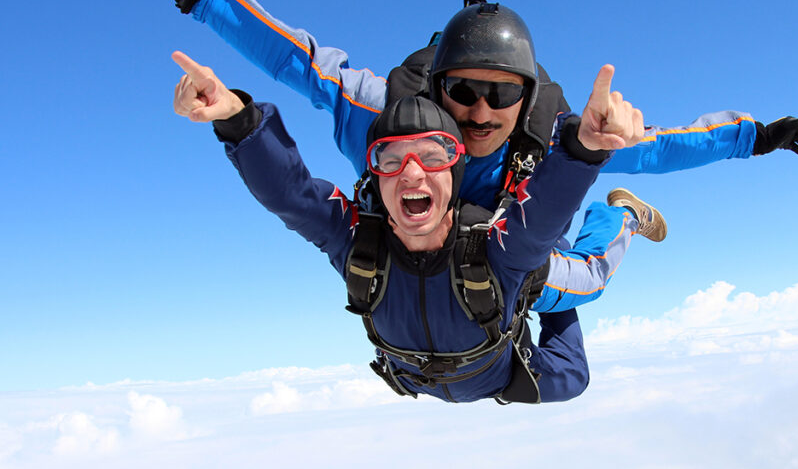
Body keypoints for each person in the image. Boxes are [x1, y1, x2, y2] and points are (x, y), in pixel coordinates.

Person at [129, 0, 798, 313]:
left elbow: (660, 147)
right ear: (435, 88)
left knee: (584, 282)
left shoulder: (556, 136)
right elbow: (303, 62)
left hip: (512, 254)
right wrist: (204, 1)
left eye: (503, 96)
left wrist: (754, 136)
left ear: (528, 99)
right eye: (463, 93)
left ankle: (622, 224)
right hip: (421, 252)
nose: (482, 113)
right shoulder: (386, 119)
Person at [172, 51, 643, 403]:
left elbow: (542, 216)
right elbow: (290, 196)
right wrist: (238, 121)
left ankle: (614, 216)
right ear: (374, 174)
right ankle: (533, 285)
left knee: (576, 355)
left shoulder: (497, 247)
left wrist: (584, 150)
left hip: (498, 372)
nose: (412, 173)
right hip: (431, 378)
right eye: (390, 159)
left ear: (455, 173)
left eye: (433, 156)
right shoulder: (359, 243)